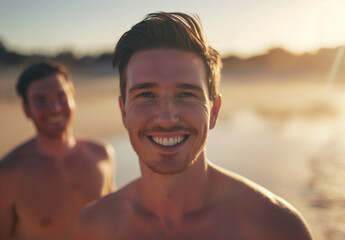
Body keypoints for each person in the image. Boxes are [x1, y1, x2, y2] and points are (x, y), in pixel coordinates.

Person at [74, 12, 313, 240]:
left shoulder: (275, 227)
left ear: (214, 112)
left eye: (186, 94)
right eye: (146, 94)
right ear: (123, 111)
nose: (166, 118)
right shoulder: (95, 226)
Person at [0, 61, 115, 240]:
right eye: (41, 100)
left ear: (73, 99)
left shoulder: (101, 155)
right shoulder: (8, 174)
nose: (54, 108)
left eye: (61, 96)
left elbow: (115, 219)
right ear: (26, 109)